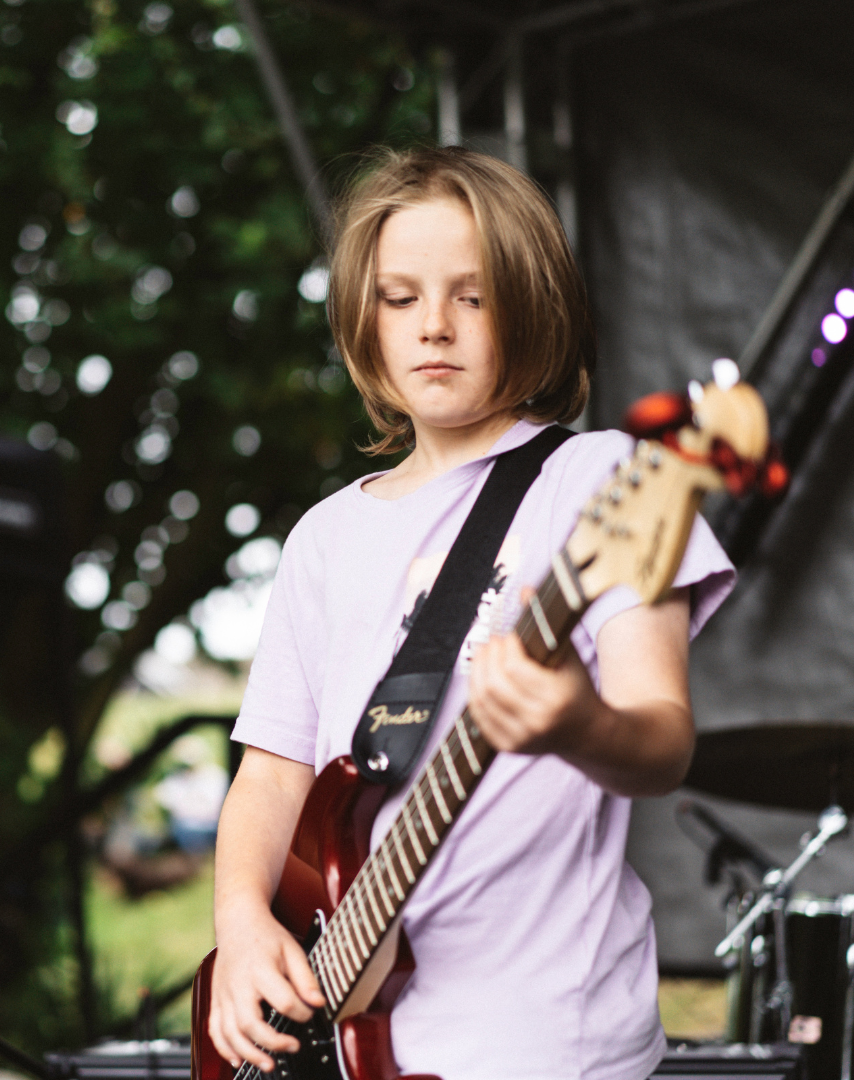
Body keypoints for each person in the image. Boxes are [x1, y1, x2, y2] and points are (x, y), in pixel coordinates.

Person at [208, 146, 735, 1080]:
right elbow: (273, 773)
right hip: (344, 1040)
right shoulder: (323, 539)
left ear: (531, 305)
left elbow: (664, 743)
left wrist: (580, 721)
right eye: (398, 298)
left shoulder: (604, 478)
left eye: (474, 296)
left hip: (548, 1043)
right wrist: (243, 925)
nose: (434, 327)